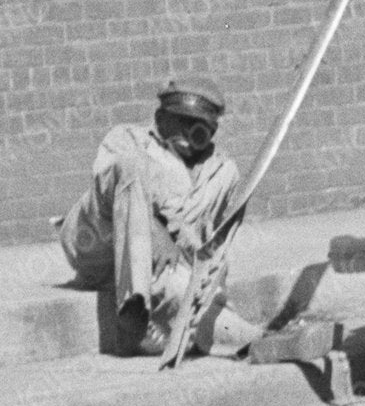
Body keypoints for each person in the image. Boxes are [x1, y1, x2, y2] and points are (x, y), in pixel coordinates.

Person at [63, 79, 253, 358]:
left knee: (185, 288)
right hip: (98, 241)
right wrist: (153, 228)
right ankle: (134, 304)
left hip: (158, 264)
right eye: (182, 122)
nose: (191, 134)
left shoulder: (222, 170)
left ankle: (258, 341)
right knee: (129, 167)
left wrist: (207, 284)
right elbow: (114, 190)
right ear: (161, 117)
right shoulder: (127, 138)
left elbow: (212, 244)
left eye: (201, 126)